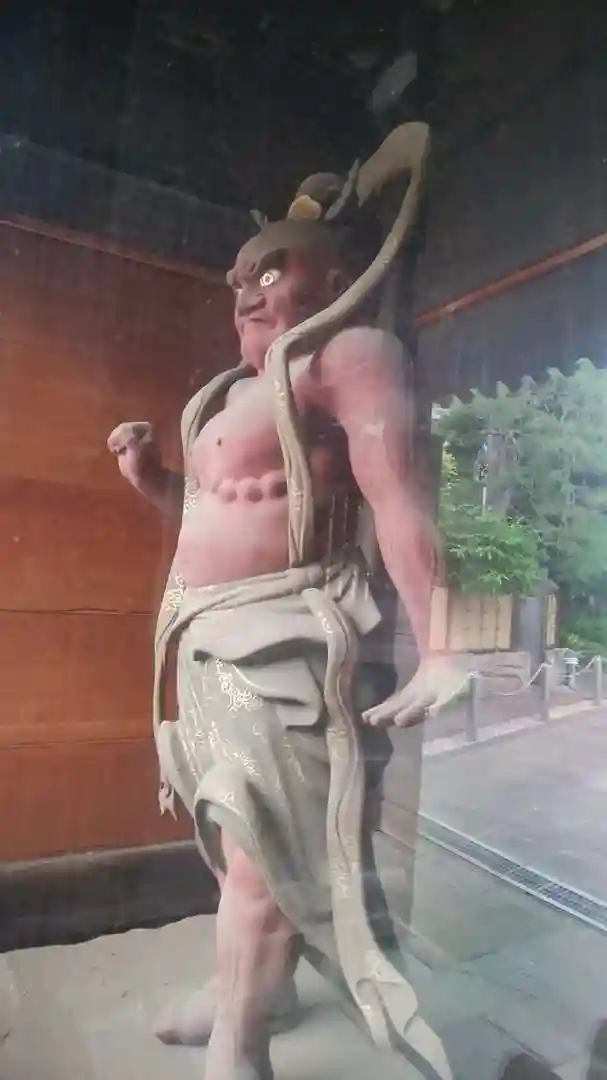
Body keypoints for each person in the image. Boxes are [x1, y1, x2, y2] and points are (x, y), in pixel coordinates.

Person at [108, 122, 460, 1080]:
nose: (243, 290)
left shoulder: (351, 355)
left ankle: (242, 1041)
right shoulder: (234, 393)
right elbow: (220, 515)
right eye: (238, 276)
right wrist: (154, 482)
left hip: (285, 647)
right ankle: (253, 990)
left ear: (334, 273)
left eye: (268, 270)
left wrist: (443, 644)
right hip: (204, 638)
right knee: (232, 836)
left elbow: (398, 500)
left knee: (268, 853)